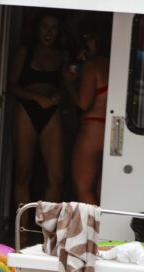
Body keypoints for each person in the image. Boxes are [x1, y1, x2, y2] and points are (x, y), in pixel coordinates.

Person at [10, 13, 65, 215]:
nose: (48, 32)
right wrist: (35, 97)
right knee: (24, 173)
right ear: (37, 28)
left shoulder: (61, 55)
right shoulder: (25, 51)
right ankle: (21, 232)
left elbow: (65, 85)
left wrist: (59, 94)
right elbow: (12, 86)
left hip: (52, 111)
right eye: (45, 26)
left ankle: (46, 231)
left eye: (54, 27)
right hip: (27, 109)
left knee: (57, 176)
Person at [66, 26, 110, 205]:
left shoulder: (93, 66)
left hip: (92, 129)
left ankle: (94, 232)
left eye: (89, 37)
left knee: (83, 187)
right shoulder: (116, 65)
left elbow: (83, 103)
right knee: (102, 188)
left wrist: (69, 83)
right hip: (110, 129)